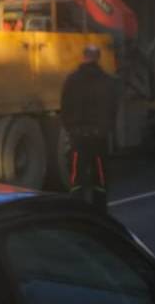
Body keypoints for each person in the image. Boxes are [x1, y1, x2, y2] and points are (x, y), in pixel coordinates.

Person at [60, 44, 118, 210]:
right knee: (100, 176)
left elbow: (65, 107)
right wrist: (105, 129)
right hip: (99, 138)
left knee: (77, 176)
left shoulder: (72, 80)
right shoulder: (108, 81)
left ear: (84, 57)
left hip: (78, 137)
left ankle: (77, 209)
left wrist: (71, 129)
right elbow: (113, 108)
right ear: (98, 58)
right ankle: (100, 210)